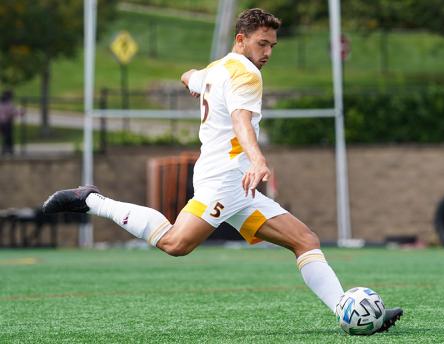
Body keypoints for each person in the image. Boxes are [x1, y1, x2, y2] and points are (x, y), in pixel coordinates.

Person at [42, 8, 402, 333]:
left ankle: (345, 311)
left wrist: (192, 79)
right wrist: (258, 160)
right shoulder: (246, 75)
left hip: (236, 184)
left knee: (304, 240)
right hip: (225, 180)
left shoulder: (217, 69)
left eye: (273, 46)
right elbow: (241, 121)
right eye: (263, 44)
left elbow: (190, 76)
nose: (268, 54)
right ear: (241, 40)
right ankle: (93, 201)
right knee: (175, 243)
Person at [0, 90, 19, 155]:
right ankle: (6, 150)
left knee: (7, 136)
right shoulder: (8, 103)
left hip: (3, 122)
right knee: (7, 136)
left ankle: (9, 149)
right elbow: (12, 112)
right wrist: (20, 112)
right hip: (6, 122)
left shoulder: (3, 102)